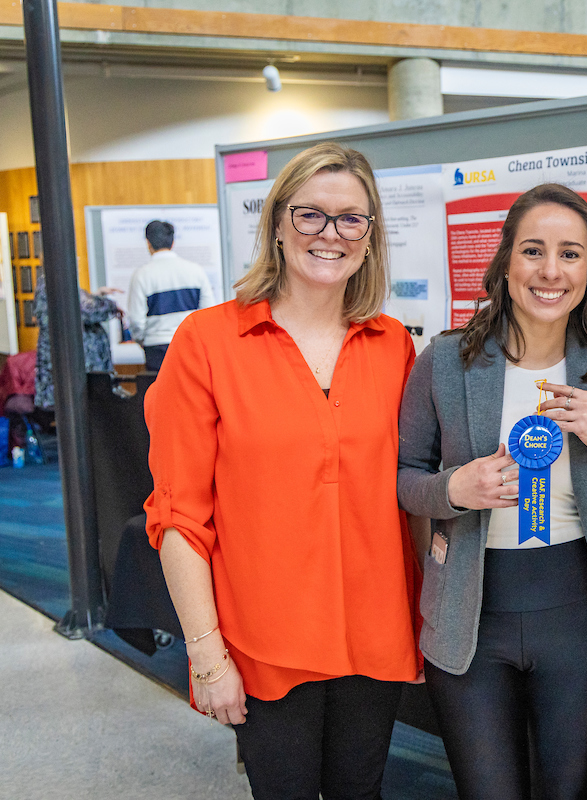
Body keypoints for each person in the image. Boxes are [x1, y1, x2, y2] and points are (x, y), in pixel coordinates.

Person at [144, 142, 421, 800]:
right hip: (265, 645)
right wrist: (206, 654)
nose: (331, 235)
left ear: (370, 235)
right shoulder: (207, 344)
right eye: (311, 215)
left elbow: (410, 489)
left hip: (376, 642)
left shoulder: (394, 345)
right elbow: (180, 515)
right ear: (276, 222)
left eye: (351, 219)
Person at [397, 183, 587, 800]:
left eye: (570, 254)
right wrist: (456, 487)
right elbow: (402, 481)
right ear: (505, 261)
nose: (550, 270)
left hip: (577, 616)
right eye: (533, 250)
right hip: (472, 618)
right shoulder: (446, 361)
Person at [127, 219, 217, 372]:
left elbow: (136, 321)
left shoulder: (141, 275)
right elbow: (208, 312)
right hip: (191, 344)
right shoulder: (195, 270)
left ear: (148, 243)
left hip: (156, 348)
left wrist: (145, 340)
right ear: (172, 242)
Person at [33, 276, 121, 409]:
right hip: (73, 371)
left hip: (67, 370)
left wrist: (94, 296)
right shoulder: (54, 282)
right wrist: (109, 304)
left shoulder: (50, 284)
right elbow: (89, 310)